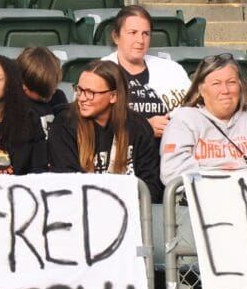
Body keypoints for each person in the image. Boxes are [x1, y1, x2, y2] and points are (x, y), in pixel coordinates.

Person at [160, 53, 247, 183]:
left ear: (240, 86)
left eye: (231, 82)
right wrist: (219, 191)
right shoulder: (184, 119)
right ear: (201, 90)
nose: (225, 90)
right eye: (216, 83)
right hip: (202, 198)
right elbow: (173, 171)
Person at [47, 59, 162, 202]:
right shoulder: (64, 126)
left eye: (90, 93)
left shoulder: (138, 127)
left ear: (113, 96)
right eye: (79, 90)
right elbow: (67, 187)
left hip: (130, 214)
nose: (82, 98)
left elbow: (152, 187)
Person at [103, 5, 190, 139]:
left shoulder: (172, 70)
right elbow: (93, 124)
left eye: (146, 33)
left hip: (167, 152)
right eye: (133, 33)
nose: (140, 40)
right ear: (116, 36)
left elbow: (193, 115)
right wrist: (145, 127)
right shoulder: (100, 72)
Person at [16, 46, 67, 137]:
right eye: (43, 92)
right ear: (24, 86)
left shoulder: (58, 97)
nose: (52, 92)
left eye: (54, 86)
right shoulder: (16, 106)